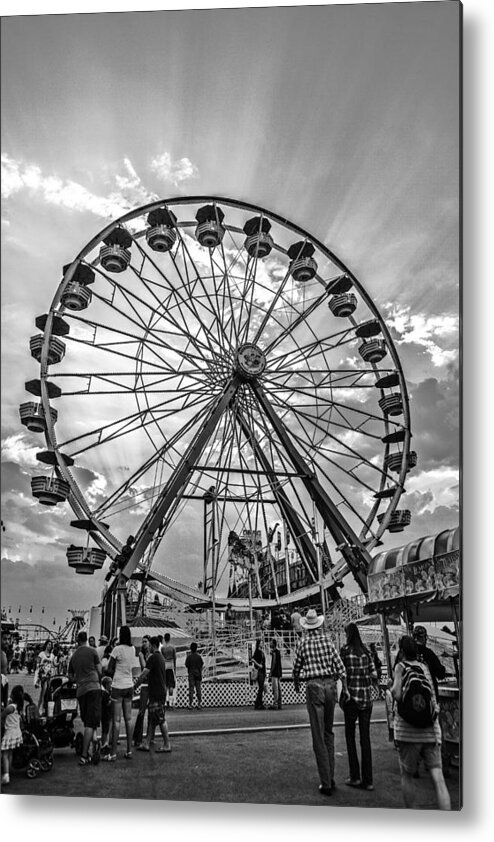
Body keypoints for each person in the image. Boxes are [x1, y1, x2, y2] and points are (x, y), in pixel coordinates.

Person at [293, 608, 349, 797]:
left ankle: (325, 783)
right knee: (328, 734)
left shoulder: (302, 643)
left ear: (306, 626)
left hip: (314, 687)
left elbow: (297, 668)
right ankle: (331, 778)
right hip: (331, 686)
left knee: (318, 737)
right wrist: (345, 689)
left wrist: (296, 684)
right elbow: (341, 668)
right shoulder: (327, 641)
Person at [391, 635, 451, 810]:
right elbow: (431, 697)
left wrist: (391, 686)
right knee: (438, 778)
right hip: (430, 729)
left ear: (401, 651)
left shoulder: (400, 667)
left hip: (407, 731)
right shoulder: (424, 667)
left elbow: (397, 694)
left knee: (407, 776)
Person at [340, 622, 378, 791]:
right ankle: (368, 780)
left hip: (351, 698)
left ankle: (355, 776)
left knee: (350, 737)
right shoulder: (366, 652)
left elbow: (341, 673)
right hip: (366, 697)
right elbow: (374, 673)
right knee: (365, 739)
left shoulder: (345, 651)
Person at [68, 630, 102, 766]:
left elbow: (70, 677)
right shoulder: (93, 652)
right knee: (90, 723)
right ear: (87, 639)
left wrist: (79, 679)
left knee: (88, 721)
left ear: (77, 640)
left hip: (81, 690)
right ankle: (84, 755)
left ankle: (94, 742)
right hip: (94, 688)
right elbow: (100, 670)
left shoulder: (73, 656)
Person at [104, 625, 136, 761]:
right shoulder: (133, 649)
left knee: (116, 721)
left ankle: (113, 753)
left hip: (118, 686)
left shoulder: (117, 649)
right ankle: (129, 750)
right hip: (129, 685)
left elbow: (109, 668)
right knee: (128, 719)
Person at [135, 637, 171, 753]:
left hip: (156, 692)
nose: (148, 647)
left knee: (160, 719)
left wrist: (135, 686)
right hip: (159, 690)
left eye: (149, 645)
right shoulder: (160, 657)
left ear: (153, 645)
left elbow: (144, 673)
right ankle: (146, 743)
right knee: (152, 719)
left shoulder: (153, 657)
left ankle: (167, 744)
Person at [412, 626, 446, 699]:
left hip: (410, 698)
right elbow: (440, 674)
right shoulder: (429, 653)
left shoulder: (404, 653)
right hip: (428, 696)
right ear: (424, 638)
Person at [1, 684, 25, 785]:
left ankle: (6, 775)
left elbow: (2, 715)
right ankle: (8, 771)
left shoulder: (10, 707)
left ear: (13, 695)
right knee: (10, 753)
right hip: (16, 733)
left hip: (9, 734)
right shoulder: (18, 708)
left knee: (4, 754)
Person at [133, 636, 151, 746]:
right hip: (145, 683)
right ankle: (138, 737)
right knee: (142, 711)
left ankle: (150, 736)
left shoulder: (151, 654)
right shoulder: (141, 655)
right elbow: (145, 667)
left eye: (145, 642)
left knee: (152, 712)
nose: (144, 644)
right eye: (143, 642)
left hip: (151, 683)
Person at [35, 639, 56, 715]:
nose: (49, 646)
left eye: (51, 645)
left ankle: (44, 709)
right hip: (42, 676)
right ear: (46, 645)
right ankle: (38, 709)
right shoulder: (41, 654)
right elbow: (37, 663)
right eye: (48, 644)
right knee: (43, 692)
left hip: (49, 676)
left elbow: (54, 664)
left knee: (48, 693)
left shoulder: (52, 655)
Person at [185, 642, 204, 710]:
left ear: (190, 648)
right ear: (196, 648)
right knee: (198, 689)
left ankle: (190, 704)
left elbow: (187, 665)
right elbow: (201, 665)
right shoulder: (199, 657)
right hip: (198, 674)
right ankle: (199, 704)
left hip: (191, 674)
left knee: (191, 689)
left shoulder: (189, 657)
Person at [161, 633, 177, 709]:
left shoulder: (163, 648)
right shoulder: (172, 647)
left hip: (165, 665)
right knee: (171, 685)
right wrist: (175, 668)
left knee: (165, 684)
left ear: (164, 638)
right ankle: (170, 702)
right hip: (171, 665)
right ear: (169, 638)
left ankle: (166, 702)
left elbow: (162, 657)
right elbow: (175, 658)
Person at [252, 640, 266, 710]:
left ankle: (259, 703)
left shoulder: (261, 652)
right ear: (258, 644)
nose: (262, 644)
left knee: (261, 688)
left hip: (262, 671)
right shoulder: (257, 652)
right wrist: (259, 665)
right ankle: (258, 703)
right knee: (261, 688)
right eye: (261, 643)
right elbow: (253, 660)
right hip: (260, 671)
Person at [268, 638, 282, 710]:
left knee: (275, 688)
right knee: (279, 688)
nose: (269, 644)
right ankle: (279, 703)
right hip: (279, 672)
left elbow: (273, 663)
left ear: (273, 644)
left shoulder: (274, 652)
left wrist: (271, 672)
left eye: (271, 643)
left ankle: (275, 703)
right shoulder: (278, 652)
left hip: (275, 672)